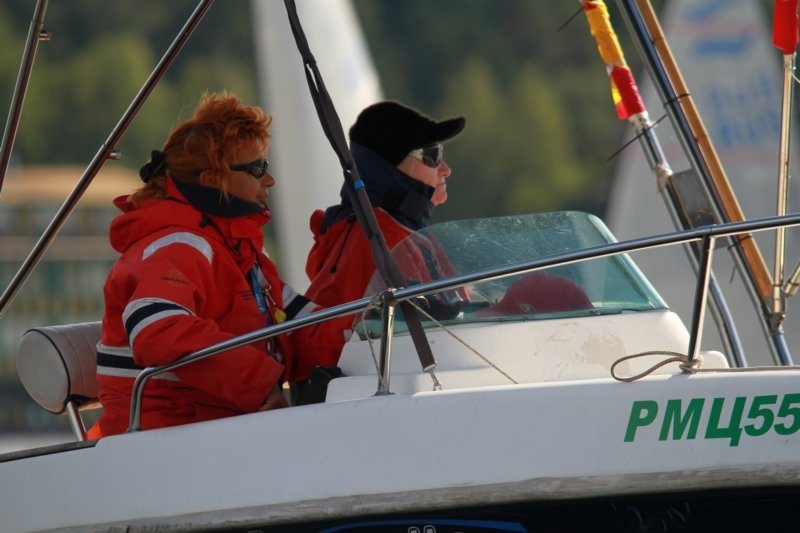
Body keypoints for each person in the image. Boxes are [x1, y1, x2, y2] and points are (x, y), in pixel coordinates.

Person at [88, 91, 318, 438]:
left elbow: (304, 323)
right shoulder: (179, 248)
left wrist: (368, 336)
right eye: (257, 169)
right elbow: (157, 330)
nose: (269, 180)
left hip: (218, 435)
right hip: (166, 442)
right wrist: (260, 386)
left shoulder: (241, 253)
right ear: (212, 180)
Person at [297, 101, 466, 381]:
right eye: (432, 156)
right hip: (380, 385)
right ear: (389, 169)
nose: (445, 169)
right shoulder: (380, 240)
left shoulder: (390, 231)